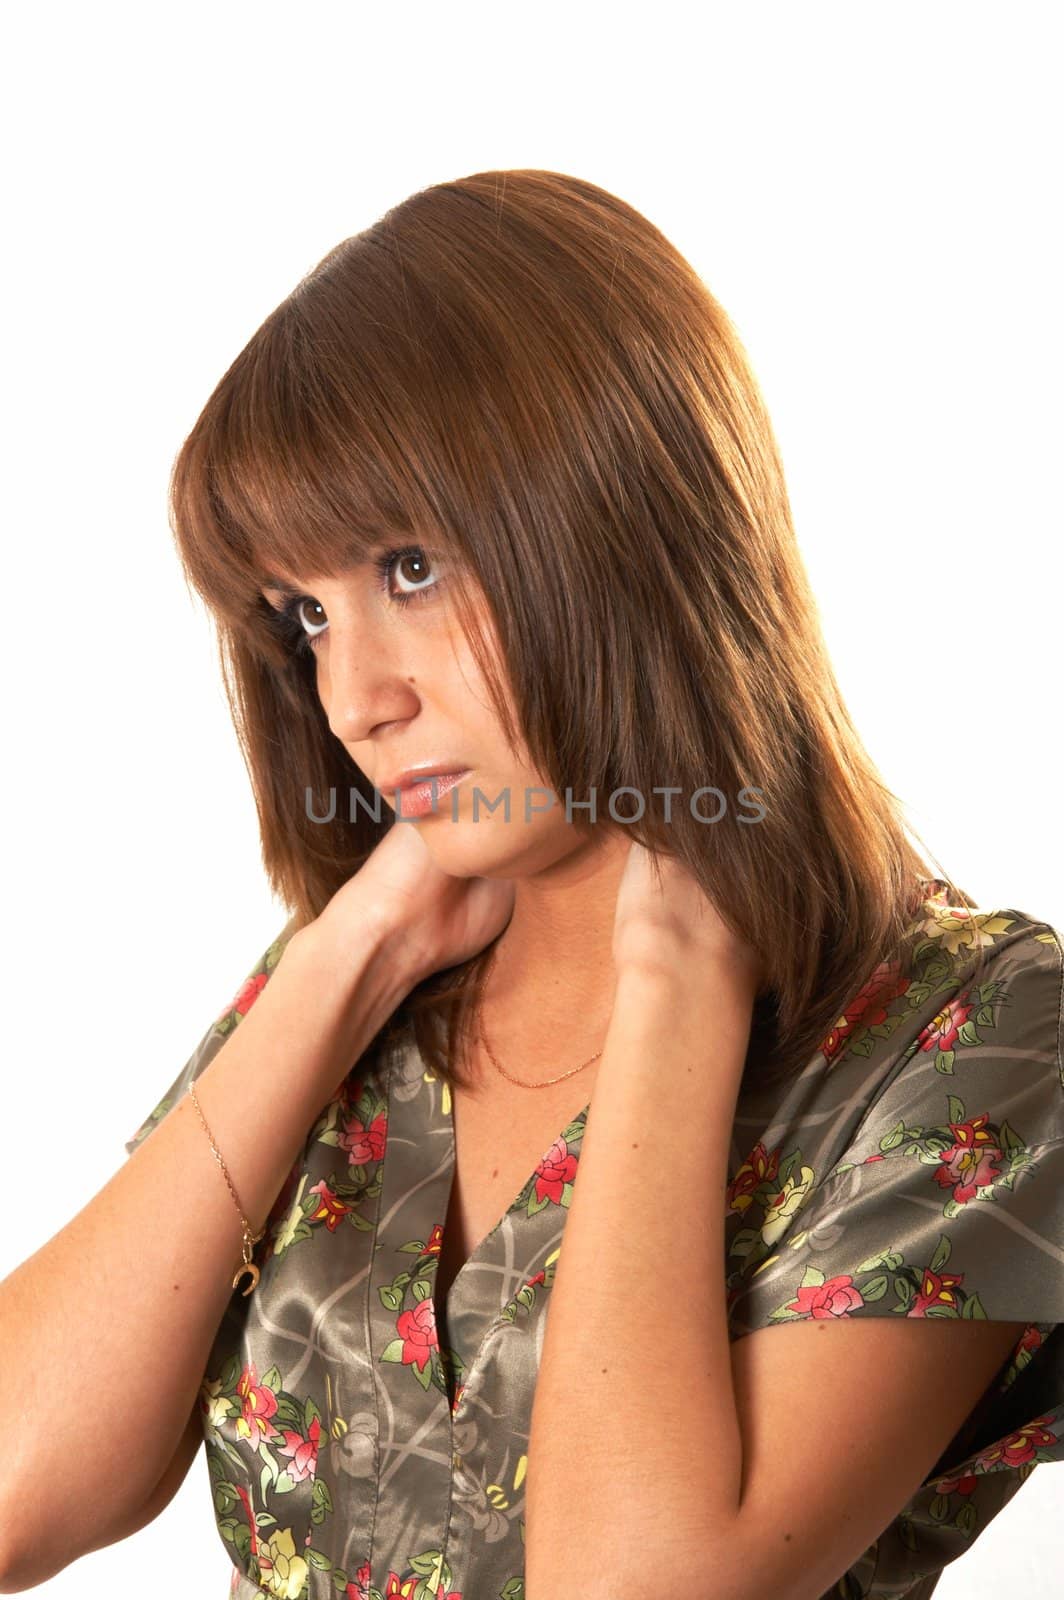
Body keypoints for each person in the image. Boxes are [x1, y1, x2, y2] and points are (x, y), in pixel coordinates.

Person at [0, 168, 1060, 1600]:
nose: (353, 695)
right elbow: (16, 1493)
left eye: (412, 567)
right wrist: (352, 951)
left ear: (627, 522)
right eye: (307, 612)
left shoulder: (978, 1042)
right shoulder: (359, 994)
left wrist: (683, 968)